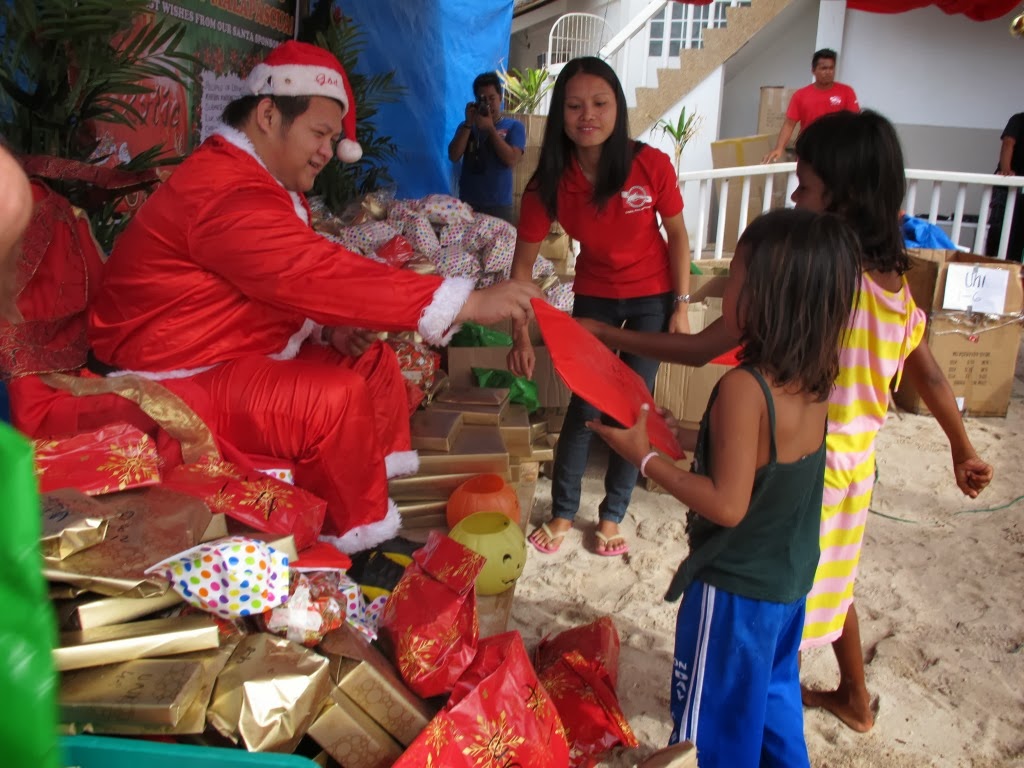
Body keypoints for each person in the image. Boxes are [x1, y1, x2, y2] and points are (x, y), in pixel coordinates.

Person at [586, 109, 995, 733]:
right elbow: (931, 376)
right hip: (846, 470)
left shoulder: (812, 291)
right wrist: (961, 447)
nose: (795, 198)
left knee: (782, 600)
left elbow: (703, 356)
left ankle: (769, 706)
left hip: (798, 476)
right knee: (827, 581)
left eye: (803, 187)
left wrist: (614, 355)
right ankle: (850, 696)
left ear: (842, 198)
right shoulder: (890, 287)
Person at [86, 41, 541, 554]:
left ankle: (372, 499)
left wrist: (326, 329)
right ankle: (354, 547)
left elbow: (266, 282)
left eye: (332, 138)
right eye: (320, 134)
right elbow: (309, 272)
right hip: (176, 375)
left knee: (373, 363)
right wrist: (466, 301)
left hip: (233, 348)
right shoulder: (222, 190)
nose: (328, 151)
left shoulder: (261, 182)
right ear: (267, 115)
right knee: (332, 400)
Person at [590, 208, 862, 767]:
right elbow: (763, 457)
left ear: (767, 299)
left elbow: (727, 504)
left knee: (709, 729)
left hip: (735, 592)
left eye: (734, 278)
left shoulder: (744, 387)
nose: (722, 291)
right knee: (773, 700)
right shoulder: (813, 378)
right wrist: (682, 435)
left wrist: (645, 459)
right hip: (787, 584)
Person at [507, 56, 692, 557]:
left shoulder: (650, 164)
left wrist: (680, 305)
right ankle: (564, 510)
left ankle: (612, 515)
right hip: (594, 298)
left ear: (617, 108)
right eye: (574, 106)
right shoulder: (548, 182)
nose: (587, 115)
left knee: (634, 407)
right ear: (560, 115)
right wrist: (520, 334)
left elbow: (677, 235)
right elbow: (521, 269)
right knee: (585, 406)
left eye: (599, 103)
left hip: (653, 298)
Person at [447, 71, 525, 223]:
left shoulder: (514, 126)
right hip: (467, 205)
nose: (488, 104)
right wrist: (468, 124)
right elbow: (453, 156)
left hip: (499, 206)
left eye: (492, 98)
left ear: (500, 98)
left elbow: (512, 159)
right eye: (482, 99)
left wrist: (490, 129)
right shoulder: (466, 127)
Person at [762, 48, 859, 164]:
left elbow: (855, 123)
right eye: (824, 68)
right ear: (813, 70)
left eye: (831, 68)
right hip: (809, 152)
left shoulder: (846, 92)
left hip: (836, 152)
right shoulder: (800, 95)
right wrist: (779, 148)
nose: (828, 72)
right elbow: (789, 124)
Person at [983, 111, 1023, 262]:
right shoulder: (1019, 119)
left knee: (1017, 235)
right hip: (1006, 185)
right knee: (999, 230)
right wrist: (1006, 170)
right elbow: (1008, 143)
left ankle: (1014, 268)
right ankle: (994, 265)